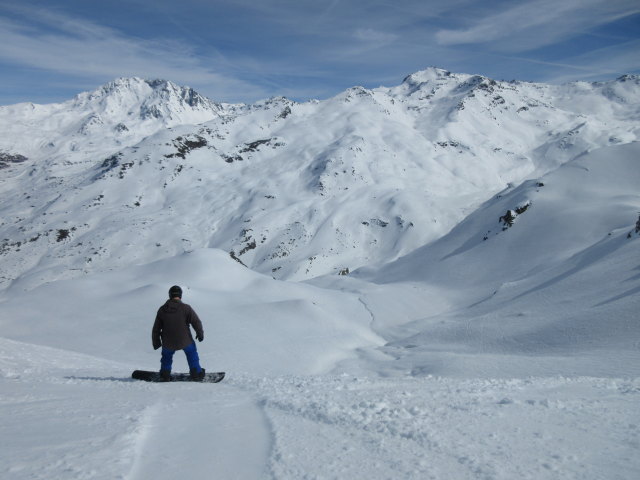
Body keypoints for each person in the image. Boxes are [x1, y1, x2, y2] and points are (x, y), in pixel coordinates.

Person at [152, 285, 205, 381]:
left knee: (166, 356)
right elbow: (196, 321)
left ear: (170, 295)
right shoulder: (186, 308)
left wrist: (156, 342)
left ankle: (165, 374)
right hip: (185, 340)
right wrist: (200, 333)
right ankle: (196, 373)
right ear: (180, 295)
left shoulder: (162, 310)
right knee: (191, 352)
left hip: (167, 341)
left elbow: (156, 329)